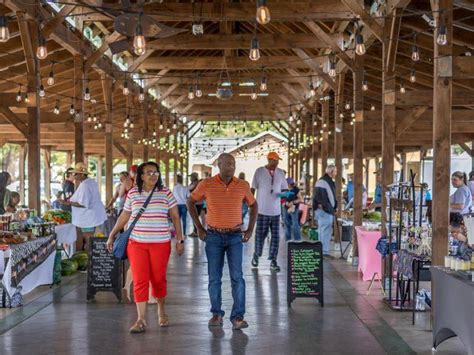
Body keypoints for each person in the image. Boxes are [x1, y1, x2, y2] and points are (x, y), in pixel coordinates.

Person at [107, 162, 184, 333]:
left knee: (158, 279)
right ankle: (140, 319)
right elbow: (125, 216)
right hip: (137, 243)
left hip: (161, 243)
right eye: (149, 173)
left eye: (155, 172)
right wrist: (112, 234)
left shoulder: (165, 193)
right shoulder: (133, 193)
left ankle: (161, 309)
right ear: (141, 176)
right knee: (140, 279)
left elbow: (176, 217)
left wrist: (180, 240)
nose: (153, 175)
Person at [187, 153, 257, 330]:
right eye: (227, 164)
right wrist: (199, 228)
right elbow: (190, 201)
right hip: (213, 236)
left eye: (233, 163)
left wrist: (249, 229)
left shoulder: (242, 185)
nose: (231, 166)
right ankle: (216, 314)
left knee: (237, 277)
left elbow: (253, 204)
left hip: (235, 236)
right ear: (219, 165)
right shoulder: (207, 184)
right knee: (214, 278)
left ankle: (238, 317)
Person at [251, 152, 288, 272]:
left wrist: (285, 196)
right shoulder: (259, 171)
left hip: (276, 211)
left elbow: (285, 189)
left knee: (276, 237)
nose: (276, 163)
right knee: (260, 235)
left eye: (278, 161)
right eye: (274, 160)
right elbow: (252, 189)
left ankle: (273, 260)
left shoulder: (281, 173)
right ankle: (256, 255)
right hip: (262, 210)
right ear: (269, 160)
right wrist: (250, 204)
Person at [58, 162, 107, 251]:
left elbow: (83, 203)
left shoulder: (85, 185)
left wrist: (68, 203)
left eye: (75, 173)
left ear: (81, 174)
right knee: (90, 241)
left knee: (88, 241)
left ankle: (89, 260)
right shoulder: (90, 182)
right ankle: (90, 258)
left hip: (88, 218)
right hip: (92, 217)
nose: (74, 175)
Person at [313, 165, 338, 257]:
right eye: (335, 171)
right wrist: (327, 208)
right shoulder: (323, 181)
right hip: (325, 210)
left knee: (322, 230)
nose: (336, 173)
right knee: (325, 230)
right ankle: (324, 251)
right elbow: (321, 197)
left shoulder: (325, 181)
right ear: (331, 172)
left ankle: (321, 250)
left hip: (325, 209)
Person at [283, 177, 302, 241]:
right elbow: (282, 198)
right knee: (286, 223)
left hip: (294, 208)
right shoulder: (285, 189)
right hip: (286, 208)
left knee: (295, 223)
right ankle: (288, 238)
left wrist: (292, 202)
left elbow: (300, 199)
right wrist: (284, 203)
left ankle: (297, 239)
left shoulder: (296, 189)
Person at [188, 172, 204, 237]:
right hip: (194, 203)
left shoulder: (198, 184)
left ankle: (196, 231)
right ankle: (195, 231)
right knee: (194, 217)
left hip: (197, 203)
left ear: (194, 177)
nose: (190, 178)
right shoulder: (193, 183)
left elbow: (193, 191)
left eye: (191, 177)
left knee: (195, 217)